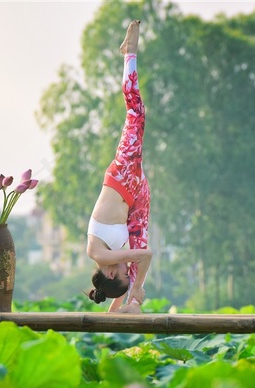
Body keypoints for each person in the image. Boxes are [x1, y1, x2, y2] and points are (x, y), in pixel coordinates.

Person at [86, 20, 152, 314]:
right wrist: (115, 308)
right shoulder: (113, 264)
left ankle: (130, 53)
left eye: (122, 271)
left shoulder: (97, 252)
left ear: (110, 272)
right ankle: (134, 304)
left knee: (136, 112)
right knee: (139, 239)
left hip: (122, 176)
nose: (125, 266)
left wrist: (135, 285)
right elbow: (135, 257)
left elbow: (145, 255)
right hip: (136, 195)